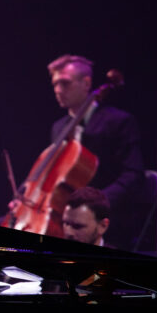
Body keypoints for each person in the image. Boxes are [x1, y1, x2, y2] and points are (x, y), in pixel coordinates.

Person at [45, 55, 144, 248]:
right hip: (64, 219)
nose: (58, 89)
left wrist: (97, 205)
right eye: (55, 84)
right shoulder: (58, 128)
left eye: (64, 83)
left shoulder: (118, 121)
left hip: (107, 220)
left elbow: (133, 175)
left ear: (86, 83)